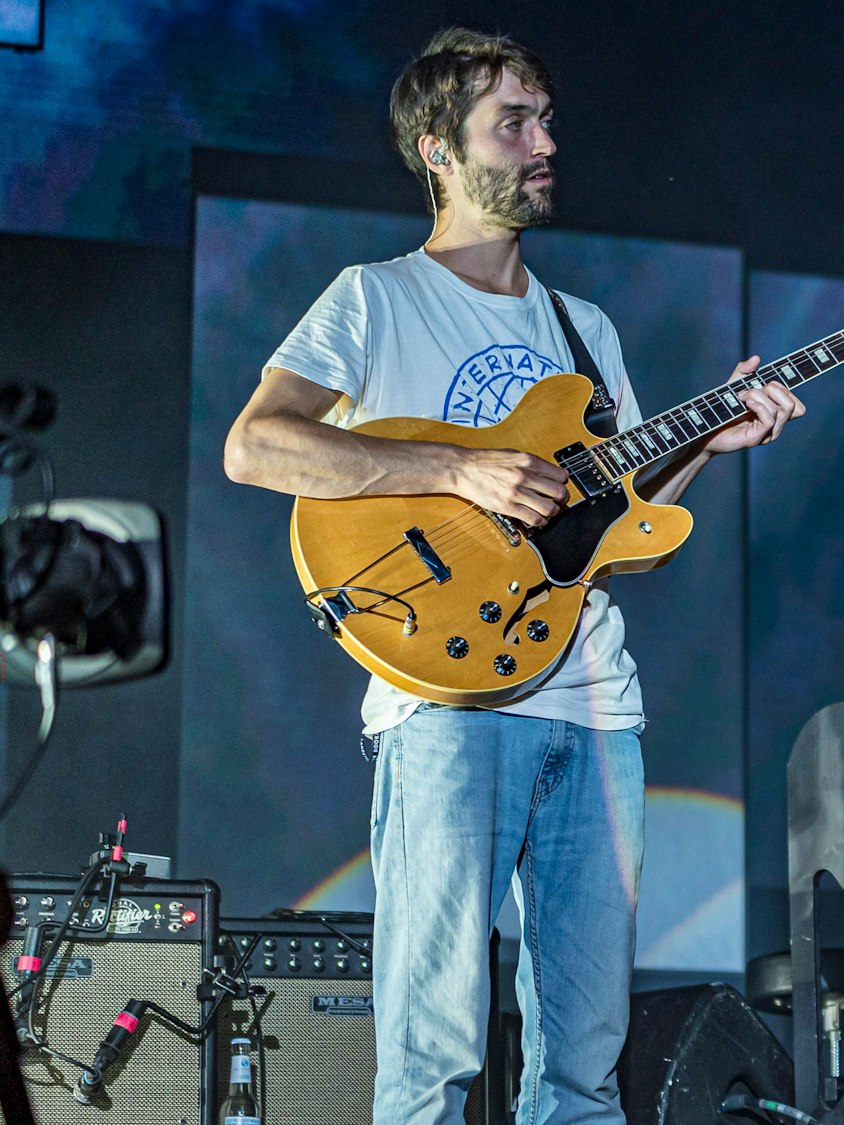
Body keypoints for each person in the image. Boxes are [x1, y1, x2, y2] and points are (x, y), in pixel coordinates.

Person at [221, 28, 804, 1124]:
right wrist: (458, 467)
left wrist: (707, 441)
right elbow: (257, 446)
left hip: (594, 706)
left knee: (583, 1067)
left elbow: (625, 528)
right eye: (514, 125)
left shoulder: (586, 330)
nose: (545, 145)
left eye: (546, 122)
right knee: (432, 1054)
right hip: (447, 701)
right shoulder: (375, 298)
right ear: (438, 150)